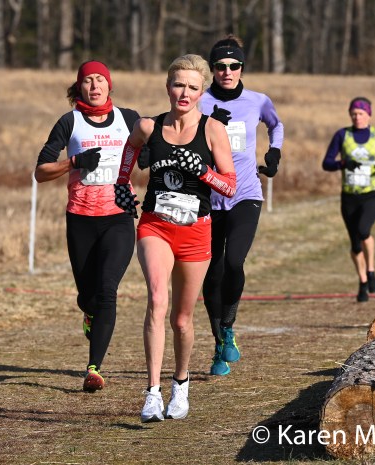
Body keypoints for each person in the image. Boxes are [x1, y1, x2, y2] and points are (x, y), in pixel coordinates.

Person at [114, 54, 236, 422]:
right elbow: (130, 149)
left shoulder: (213, 130)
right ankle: (152, 393)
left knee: (182, 319)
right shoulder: (149, 126)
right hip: (155, 225)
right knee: (157, 299)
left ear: (202, 93)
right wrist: (122, 184)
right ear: (168, 87)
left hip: (196, 231)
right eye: (178, 85)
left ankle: (180, 383)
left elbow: (230, 186)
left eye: (192, 87)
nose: (184, 93)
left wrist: (205, 173)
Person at [34, 61, 140, 392]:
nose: (94, 86)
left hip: (119, 216)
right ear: (79, 87)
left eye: (100, 80)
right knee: (89, 296)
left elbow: (154, 148)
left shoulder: (128, 119)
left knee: (108, 290)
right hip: (80, 218)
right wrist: (74, 162)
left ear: (110, 85)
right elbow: (41, 171)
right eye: (88, 81)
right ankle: (88, 312)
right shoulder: (70, 122)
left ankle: (94, 369)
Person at [198, 35, 284, 376]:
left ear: (242, 68)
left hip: (245, 194)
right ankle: (219, 344)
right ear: (212, 69)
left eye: (234, 65)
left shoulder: (258, 101)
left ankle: (228, 325)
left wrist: (274, 152)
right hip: (208, 197)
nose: (227, 71)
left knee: (234, 261)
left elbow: (277, 125)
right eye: (220, 66)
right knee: (211, 272)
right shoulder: (200, 101)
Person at [321, 96, 375, 302]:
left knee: (364, 230)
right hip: (349, 197)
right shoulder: (342, 135)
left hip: (372, 195)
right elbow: (327, 163)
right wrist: (342, 164)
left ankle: (371, 271)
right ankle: (363, 282)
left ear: (369, 115)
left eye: (361, 114)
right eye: (354, 114)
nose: (357, 117)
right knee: (355, 244)